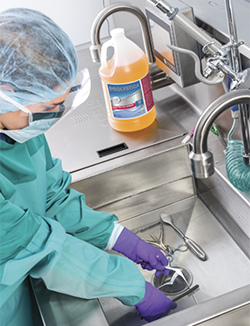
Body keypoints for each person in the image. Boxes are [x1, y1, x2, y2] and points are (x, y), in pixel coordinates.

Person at [0, 8, 177, 325]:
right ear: (7, 94)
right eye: (48, 107)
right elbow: (40, 247)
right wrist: (134, 287)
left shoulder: (16, 126)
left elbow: (50, 197)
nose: (54, 116)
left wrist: (118, 236)